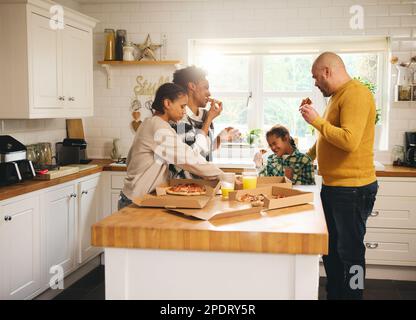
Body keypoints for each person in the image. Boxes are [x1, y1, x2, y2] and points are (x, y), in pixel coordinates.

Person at [299, 52, 378, 300]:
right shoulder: (336, 97)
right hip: (335, 187)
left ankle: (354, 296)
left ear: (327, 72)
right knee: (331, 251)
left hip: (353, 189)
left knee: (351, 253)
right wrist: (306, 157)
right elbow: (327, 137)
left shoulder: (356, 94)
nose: (314, 82)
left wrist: (317, 121)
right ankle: (336, 294)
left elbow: (349, 141)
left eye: (315, 77)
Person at [119, 83, 224, 210]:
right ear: (167, 103)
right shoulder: (158, 128)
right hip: (134, 201)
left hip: (138, 197)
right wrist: (221, 175)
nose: (184, 111)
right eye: (182, 106)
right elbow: (188, 158)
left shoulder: (152, 123)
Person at [170, 66, 240, 179]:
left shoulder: (205, 115)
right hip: (184, 185)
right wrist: (208, 120)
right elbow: (191, 156)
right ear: (192, 86)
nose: (209, 93)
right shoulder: (179, 119)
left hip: (204, 185)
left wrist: (219, 139)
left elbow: (204, 150)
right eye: (205, 87)